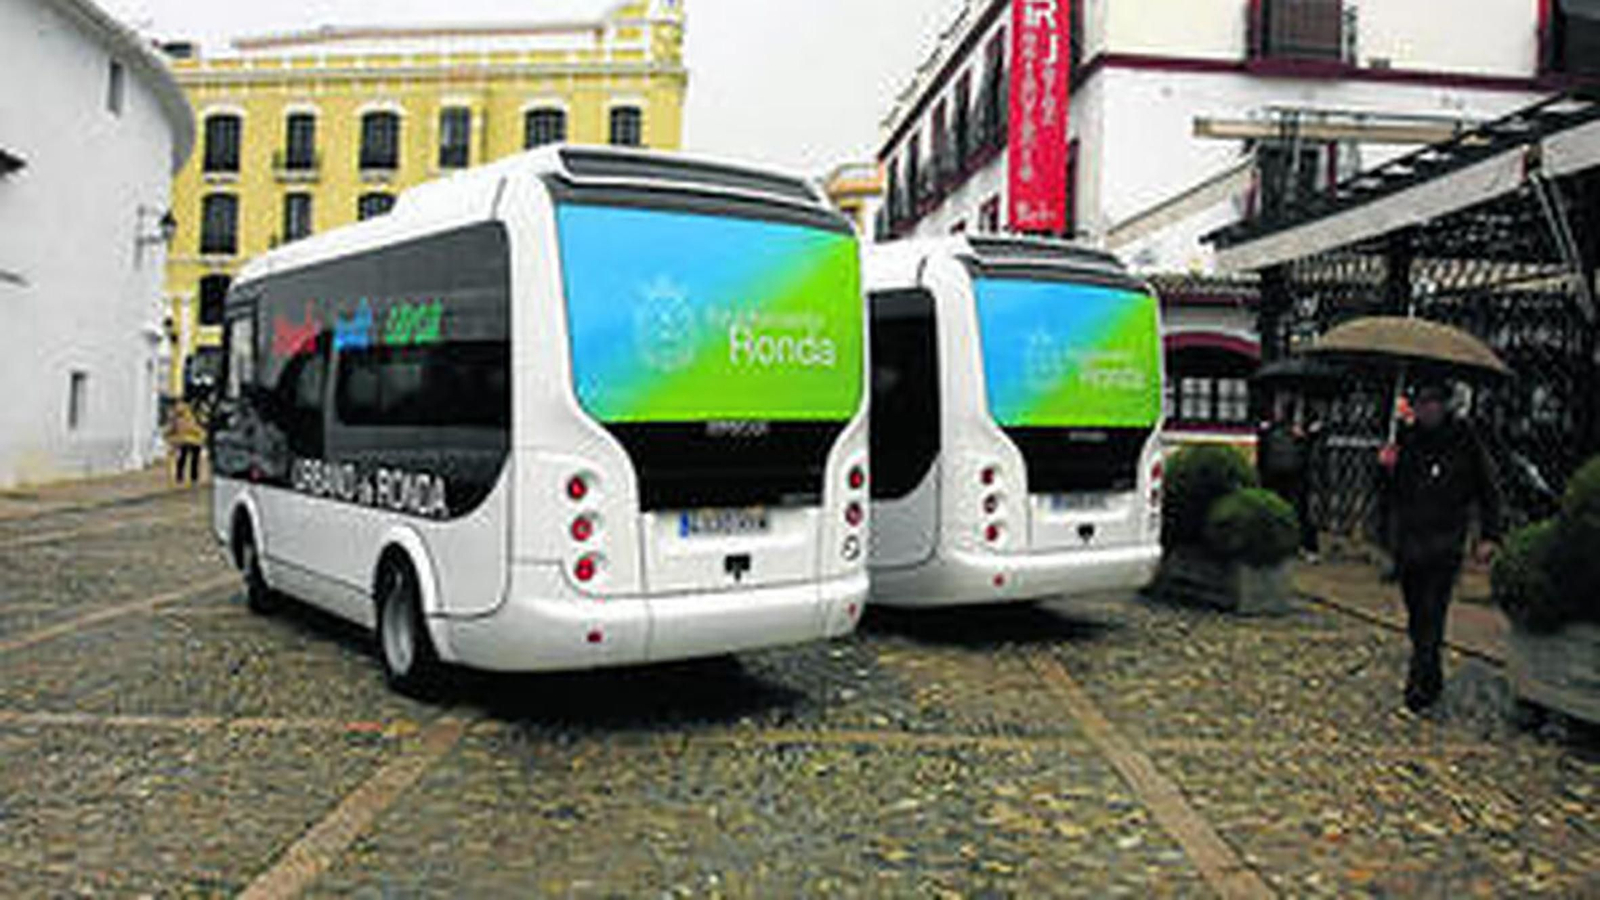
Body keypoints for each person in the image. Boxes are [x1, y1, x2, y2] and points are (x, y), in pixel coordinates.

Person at [1379, 379, 1502, 713]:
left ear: (1443, 406)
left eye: (1432, 403)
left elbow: (1488, 489)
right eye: (1421, 403)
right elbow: (1390, 495)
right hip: (1410, 540)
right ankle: (1430, 675)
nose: (1426, 410)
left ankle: (1420, 685)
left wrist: (1490, 534)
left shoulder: (1465, 439)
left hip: (1446, 540)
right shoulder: (1405, 438)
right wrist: (1386, 468)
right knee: (1417, 615)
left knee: (1434, 611)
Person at [167, 399, 206, 485]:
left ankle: (188, 477)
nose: (178, 407)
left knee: (188, 459)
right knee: (185, 459)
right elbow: (173, 429)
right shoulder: (178, 417)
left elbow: (198, 426)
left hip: (193, 440)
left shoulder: (187, 416)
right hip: (187, 440)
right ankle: (187, 477)